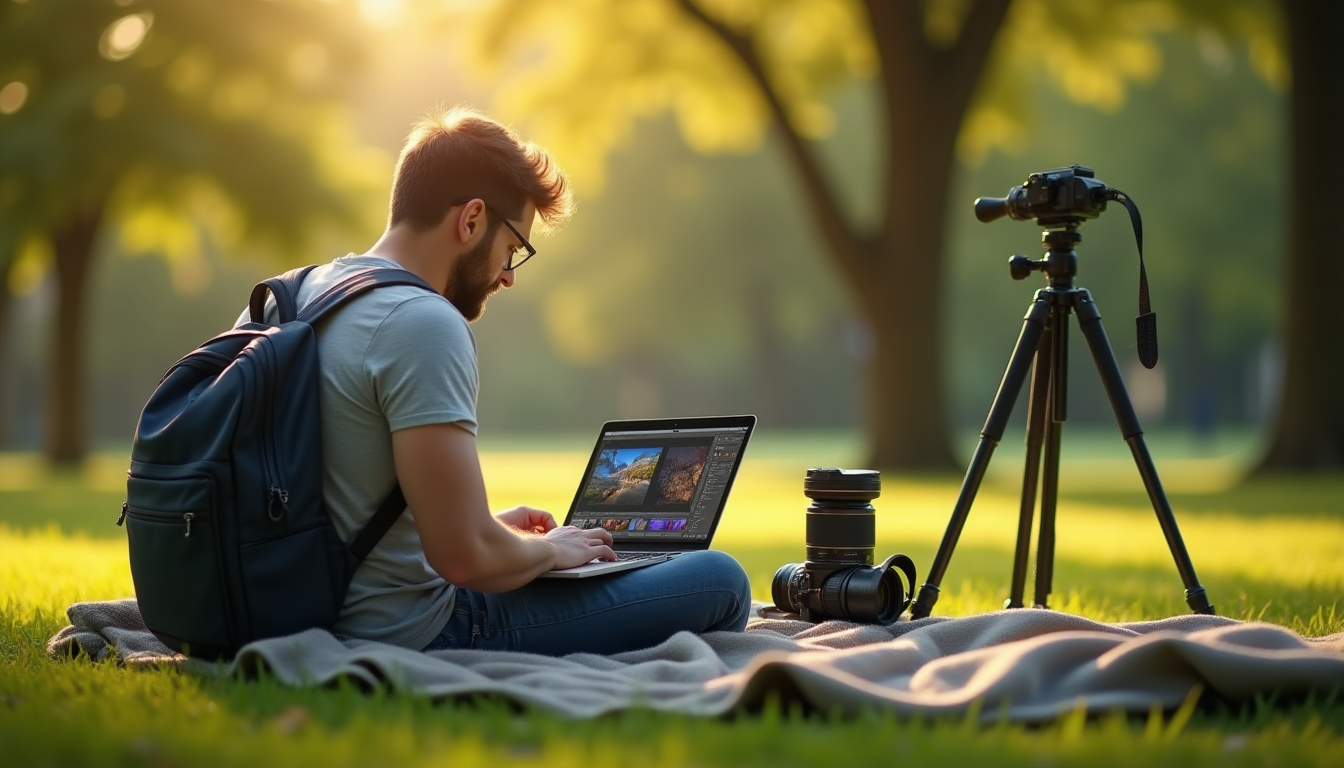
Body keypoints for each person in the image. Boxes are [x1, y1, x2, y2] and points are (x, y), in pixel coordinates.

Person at [240, 106, 753, 656]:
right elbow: (463, 559)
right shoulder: (423, 322)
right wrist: (551, 551)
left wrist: (492, 530)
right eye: (514, 249)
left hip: (278, 606)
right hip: (412, 628)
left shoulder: (291, 298)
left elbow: (334, 485)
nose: (508, 275)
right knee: (720, 579)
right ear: (471, 219)